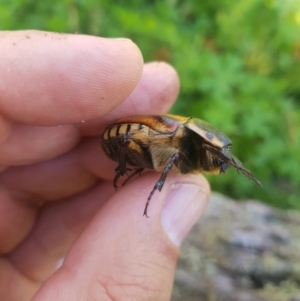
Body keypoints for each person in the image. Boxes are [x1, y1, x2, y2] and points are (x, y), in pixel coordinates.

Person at [0, 30, 210, 301]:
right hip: (124, 139)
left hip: (130, 147)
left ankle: (129, 170)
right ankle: (128, 170)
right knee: (133, 146)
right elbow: (136, 143)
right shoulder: (178, 136)